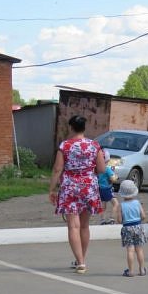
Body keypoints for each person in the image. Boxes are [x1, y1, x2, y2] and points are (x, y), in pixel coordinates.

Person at [49, 115, 105, 274]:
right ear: (84, 128)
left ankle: (80, 262)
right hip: (89, 187)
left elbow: (57, 169)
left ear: (71, 127)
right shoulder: (94, 145)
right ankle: (81, 259)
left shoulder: (65, 145)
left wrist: (52, 189)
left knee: (73, 225)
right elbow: (101, 169)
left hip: (70, 187)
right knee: (85, 226)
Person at [113, 180, 148, 277]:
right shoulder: (137, 203)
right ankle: (142, 269)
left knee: (130, 250)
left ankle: (131, 270)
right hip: (138, 226)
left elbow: (119, 220)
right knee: (139, 249)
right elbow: (143, 216)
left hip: (127, 228)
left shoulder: (121, 205)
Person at [98, 149, 118, 224]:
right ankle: (111, 219)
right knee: (115, 204)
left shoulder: (97, 168)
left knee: (103, 206)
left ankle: (102, 220)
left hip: (100, 189)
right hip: (107, 189)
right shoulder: (108, 169)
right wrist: (116, 176)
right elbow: (113, 179)